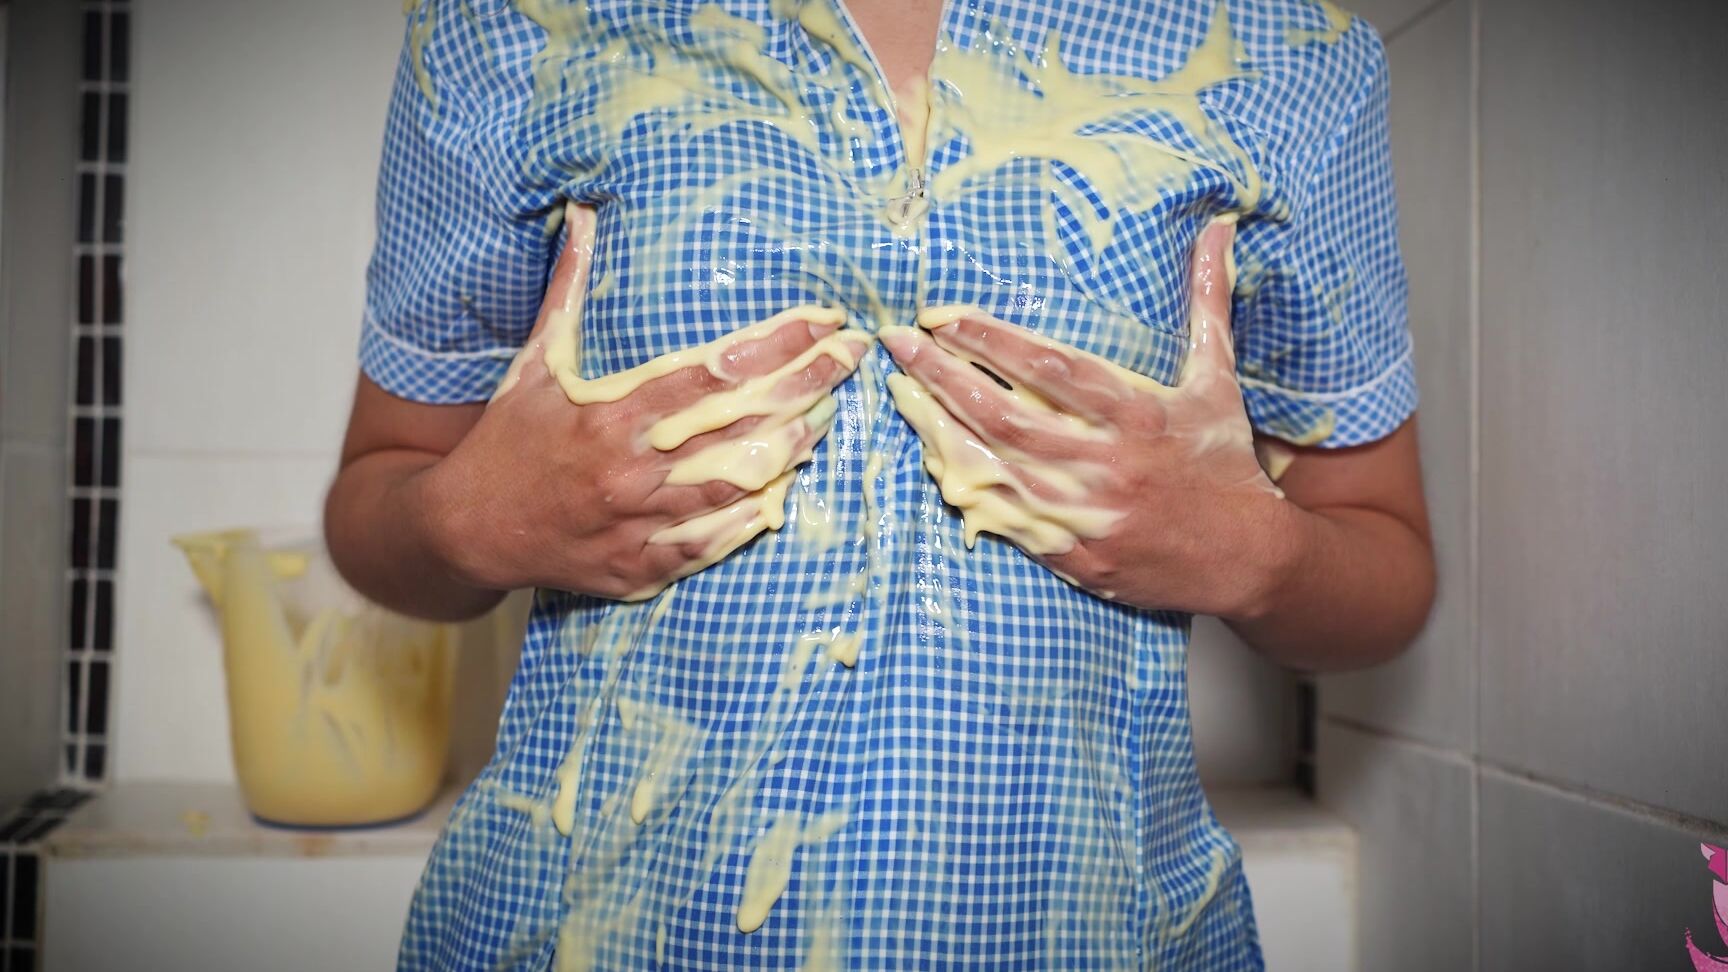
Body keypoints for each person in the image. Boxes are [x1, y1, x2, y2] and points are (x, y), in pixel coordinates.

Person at [326, 0, 1436, 968]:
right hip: (571, 932)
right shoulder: (510, 27)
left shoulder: (1282, 55)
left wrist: (1252, 548)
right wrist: (469, 520)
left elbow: (1383, 569)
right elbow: (374, 505)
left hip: (1102, 935)